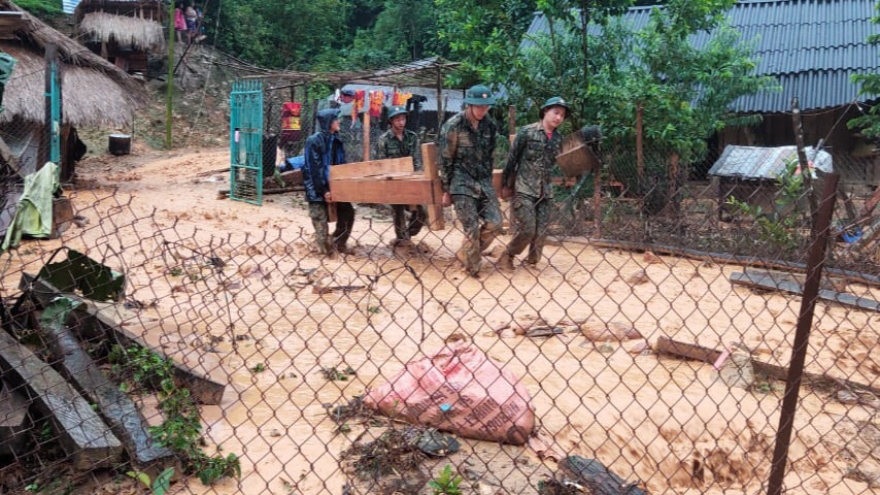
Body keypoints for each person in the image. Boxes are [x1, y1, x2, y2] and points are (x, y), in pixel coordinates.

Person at [498, 96, 569, 270]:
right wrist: (506, 185)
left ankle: (532, 261)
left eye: (562, 115)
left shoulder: (558, 138)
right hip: (524, 188)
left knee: (541, 230)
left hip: (545, 190)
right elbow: (512, 159)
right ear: (545, 111)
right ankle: (508, 254)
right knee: (528, 228)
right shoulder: (527, 132)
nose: (559, 117)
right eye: (556, 112)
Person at [438, 84, 502, 277]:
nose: (483, 110)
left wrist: (489, 183)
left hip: (483, 181)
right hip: (461, 182)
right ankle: (472, 269)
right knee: (471, 227)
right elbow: (445, 159)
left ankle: (466, 253)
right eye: (479, 106)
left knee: (496, 223)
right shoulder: (453, 126)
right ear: (469, 105)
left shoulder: (490, 125)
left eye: (486, 106)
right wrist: (446, 190)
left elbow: (491, 156)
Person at [303, 108, 354, 256]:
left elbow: (341, 164)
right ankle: (323, 250)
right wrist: (324, 190)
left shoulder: (337, 139)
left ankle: (339, 243)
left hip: (336, 186)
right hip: (317, 189)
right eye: (335, 119)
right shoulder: (314, 141)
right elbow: (314, 168)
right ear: (328, 122)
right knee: (321, 224)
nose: (338, 122)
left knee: (348, 213)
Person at [374, 105, 426, 246]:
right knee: (398, 210)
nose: (401, 122)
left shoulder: (412, 137)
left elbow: (416, 160)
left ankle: (409, 233)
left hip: (411, 179)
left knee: (422, 211)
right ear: (391, 121)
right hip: (393, 181)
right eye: (397, 119)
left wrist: (418, 177)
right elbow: (381, 163)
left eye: (403, 119)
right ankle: (402, 239)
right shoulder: (384, 140)